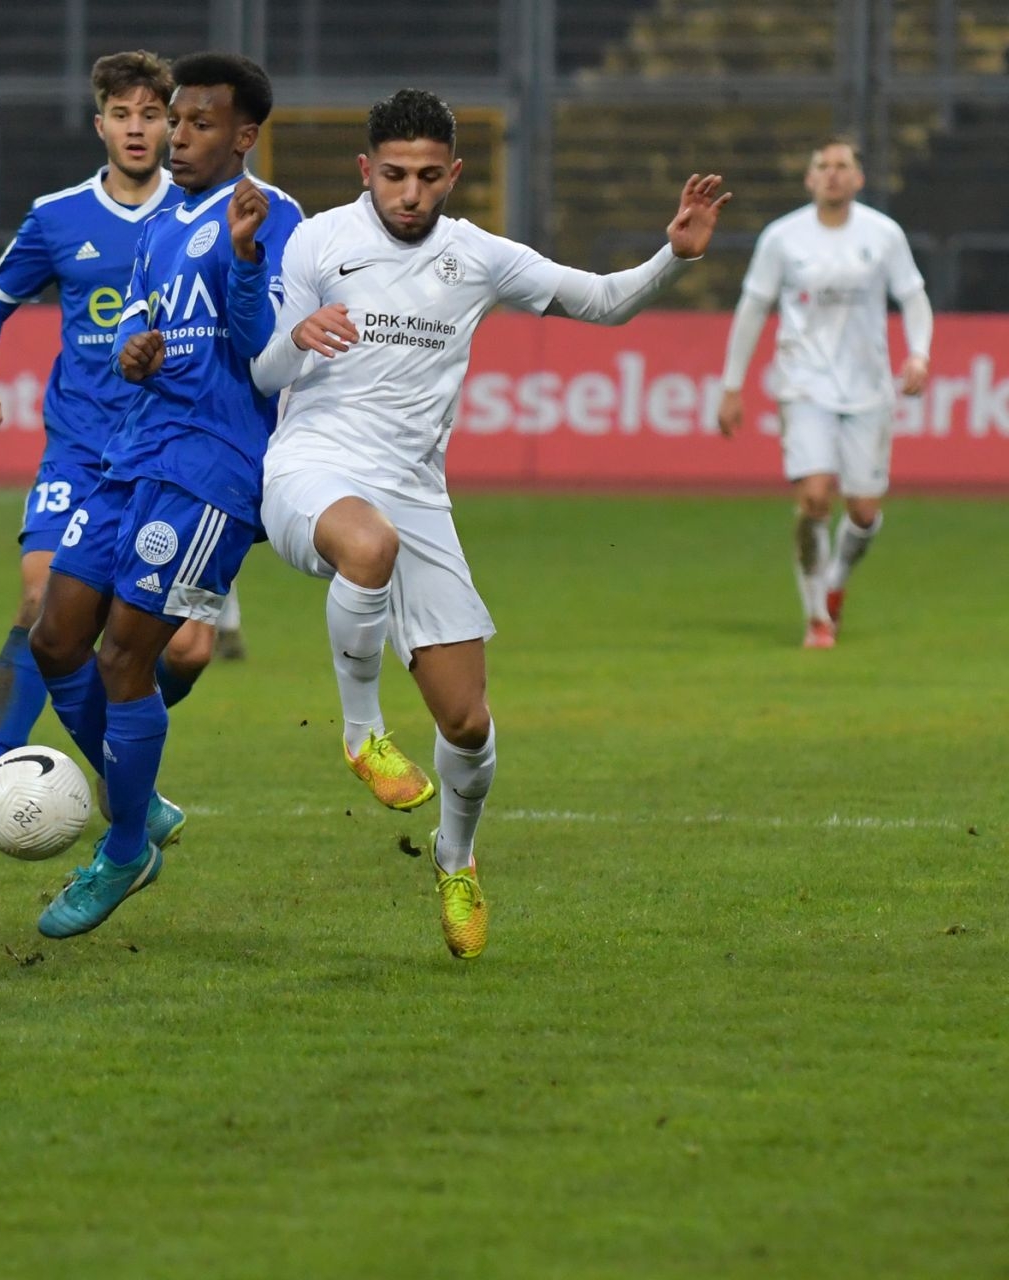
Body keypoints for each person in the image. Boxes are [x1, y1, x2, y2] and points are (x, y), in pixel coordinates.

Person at [251, 88, 729, 958]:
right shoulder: (318, 240)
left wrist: (674, 255)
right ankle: (363, 736)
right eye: (394, 175)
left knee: (468, 723)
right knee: (368, 545)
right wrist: (299, 337)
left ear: (455, 175)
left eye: (429, 177)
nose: (411, 193)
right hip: (311, 470)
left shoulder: (477, 255)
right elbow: (263, 372)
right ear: (365, 170)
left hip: (415, 495)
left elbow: (602, 301)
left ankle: (456, 858)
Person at [27, 51, 302, 939]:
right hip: (132, 451)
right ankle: (138, 804)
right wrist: (132, 354)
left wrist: (248, 261)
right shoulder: (159, 225)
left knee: (124, 658)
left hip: (210, 469)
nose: (176, 137)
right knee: (55, 637)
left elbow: (269, 353)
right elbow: (141, 333)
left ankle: (122, 851)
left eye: (198, 124)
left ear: (244, 136)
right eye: (174, 121)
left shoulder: (272, 216)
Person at [0, 50, 241, 847]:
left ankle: (118, 759)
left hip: (173, 453)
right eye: (123, 115)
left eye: (153, 115)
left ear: (172, 125)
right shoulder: (58, 217)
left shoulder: (203, 213)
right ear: (100, 124)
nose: (138, 129)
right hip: (81, 452)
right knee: (38, 597)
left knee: (188, 649)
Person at [716, 138, 931, 648]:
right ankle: (817, 619)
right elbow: (753, 308)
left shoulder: (883, 234)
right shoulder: (782, 237)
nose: (833, 173)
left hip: (868, 387)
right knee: (814, 497)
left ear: (858, 179)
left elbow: (913, 297)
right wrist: (731, 385)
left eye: (842, 166)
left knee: (863, 512)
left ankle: (836, 580)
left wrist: (919, 354)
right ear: (809, 178)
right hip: (803, 383)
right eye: (823, 166)